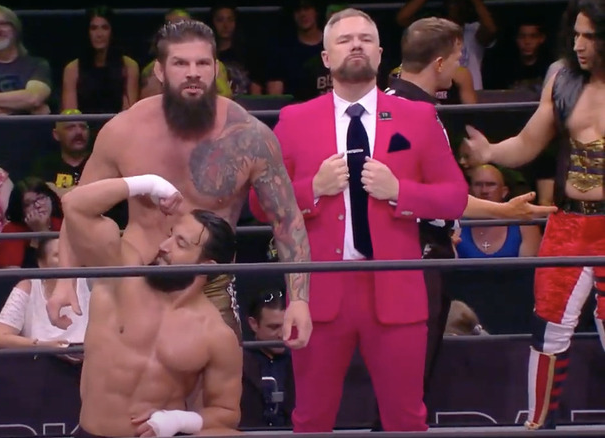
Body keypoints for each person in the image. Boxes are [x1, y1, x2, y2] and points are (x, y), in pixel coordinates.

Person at [249, 9, 469, 432]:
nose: (356, 45)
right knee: (311, 418)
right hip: (320, 291)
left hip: (395, 289)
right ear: (326, 56)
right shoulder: (295, 120)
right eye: (345, 39)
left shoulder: (418, 117)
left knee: (407, 418)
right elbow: (261, 205)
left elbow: (455, 197)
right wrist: (313, 187)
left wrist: (400, 192)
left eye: (366, 39)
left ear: (381, 53)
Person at [47, 20, 312, 348]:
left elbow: (286, 220)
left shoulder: (249, 136)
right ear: (159, 71)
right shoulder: (124, 130)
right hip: (134, 276)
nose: (193, 72)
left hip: (209, 285)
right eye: (180, 63)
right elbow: (78, 208)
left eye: (202, 63)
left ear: (215, 69)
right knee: (121, 391)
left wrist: (299, 299)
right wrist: (64, 282)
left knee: (218, 392)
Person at [381, 16, 557, 428]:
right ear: (440, 63)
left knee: (406, 381)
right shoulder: (412, 112)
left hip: (416, 250)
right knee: (409, 380)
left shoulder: (391, 103)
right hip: (414, 256)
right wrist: (507, 212)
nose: (462, 66)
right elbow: (439, 198)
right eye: (459, 56)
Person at [461, 0, 605, 430]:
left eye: (590, 36)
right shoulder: (563, 77)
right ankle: (539, 424)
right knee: (548, 330)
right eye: (575, 34)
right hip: (570, 221)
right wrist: (490, 152)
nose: (579, 45)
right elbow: (529, 142)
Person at [57, 174, 242, 438]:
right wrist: (147, 183)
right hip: (93, 431)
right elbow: (75, 204)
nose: (164, 246)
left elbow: (227, 412)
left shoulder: (216, 334)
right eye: (170, 235)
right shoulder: (123, 274)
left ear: (206, 266)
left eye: (180, 243)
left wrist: (179, 420)